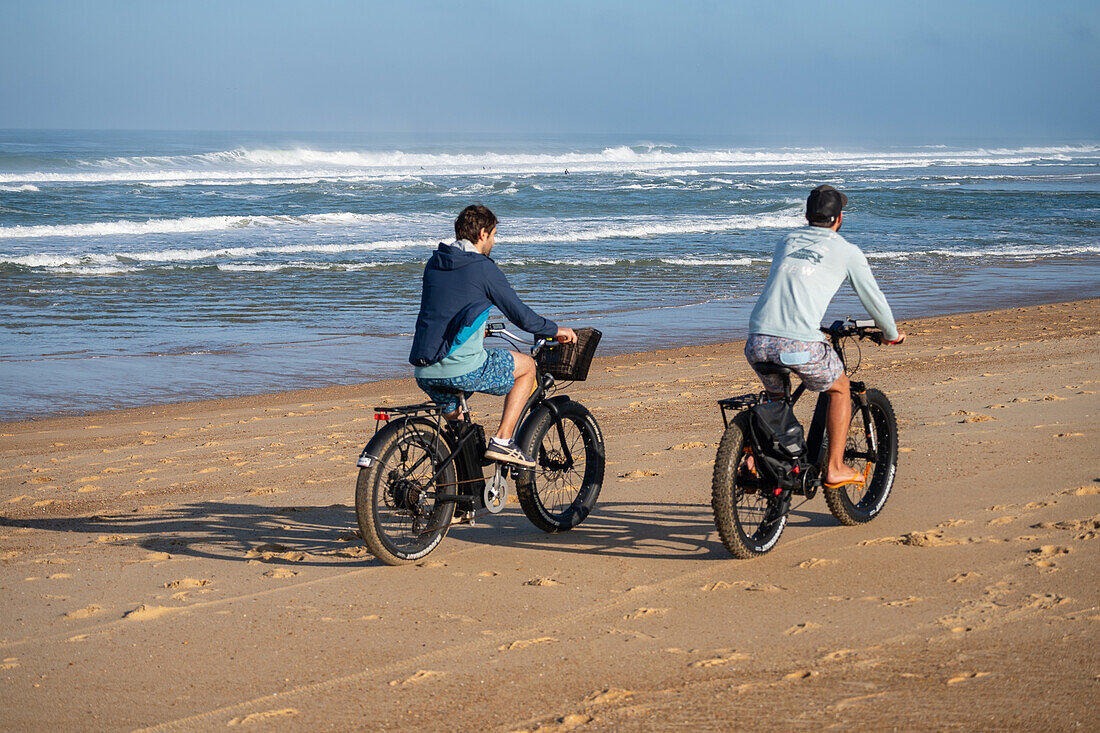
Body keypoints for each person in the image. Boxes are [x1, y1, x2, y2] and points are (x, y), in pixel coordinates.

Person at [745, 185, 906, 488]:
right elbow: (875, 300)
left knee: (778, 399)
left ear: (806, 215)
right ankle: (834, 467)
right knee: (840, 388)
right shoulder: (846, 251)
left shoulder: (786, 241)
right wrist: (891, 334)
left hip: (757, 341)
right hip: (798, 346)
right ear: (839, 218)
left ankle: (758, 458)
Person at [409, 204, 576, 468]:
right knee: (527, 368)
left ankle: (462, 498)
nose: (494, 241)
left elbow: (447, 306)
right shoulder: (483, 268)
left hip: (425, 369)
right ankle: (503, 441)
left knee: (461, 433)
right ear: (483, 234)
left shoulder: (435, 263)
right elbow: (521, 316)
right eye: (494, 235)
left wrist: (476, 326)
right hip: (461, 368)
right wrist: (556, 330)